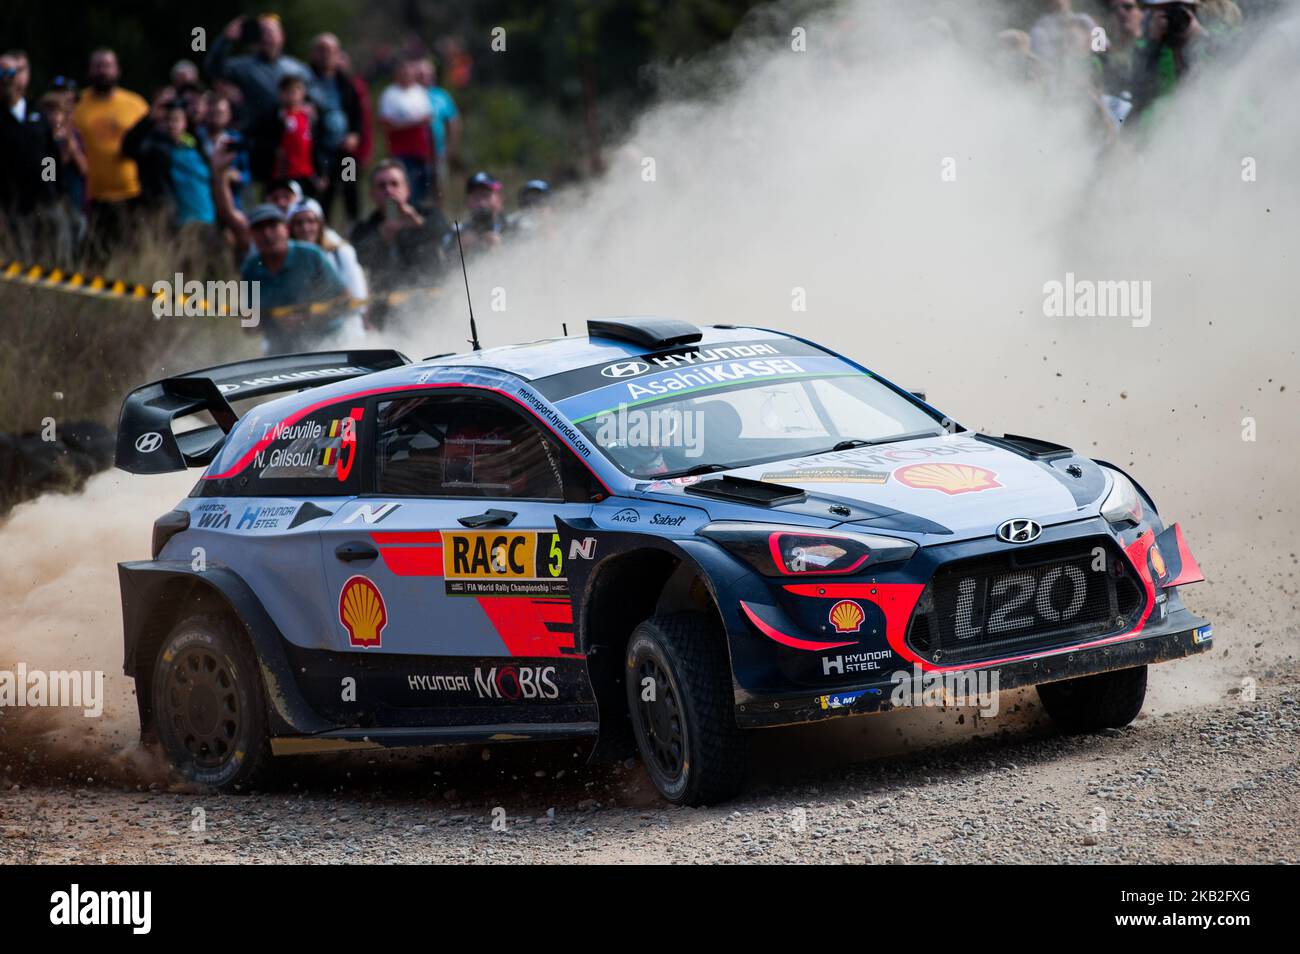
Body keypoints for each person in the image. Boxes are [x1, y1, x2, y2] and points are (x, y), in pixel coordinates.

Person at [205, 14, 311, 182]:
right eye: (262, 32)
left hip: (293, 150)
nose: (267, 37)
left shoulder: (297, 69)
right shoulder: (243, 67)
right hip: (258, 145)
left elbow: (313, 99)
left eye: (271, 32)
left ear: (281, 36)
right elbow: (213, 69)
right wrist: (226, 40)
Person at [349, 159, 451, 328]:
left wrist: (418, 223)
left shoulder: (429, 214)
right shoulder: (364, 229)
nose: (389, 190)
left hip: (433, 307)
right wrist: (381, 237)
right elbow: (359, 258)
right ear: (372, 194)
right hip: (385, 317)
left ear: (407, 189)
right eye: (381, 186)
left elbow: (447, 238)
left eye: (394, 184)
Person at [241, 203, 350, 353]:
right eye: (259, 228)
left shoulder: (311, 256)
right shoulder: (251, 269)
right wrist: (261, 321)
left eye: (273, 226)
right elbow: (249, 328)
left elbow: (345, 300)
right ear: (252, 235)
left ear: (286, 229)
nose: (267, 234)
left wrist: (308, 318)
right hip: (282, 352)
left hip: (329, 345)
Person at [72, 48, 150, 252]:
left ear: (117, 70)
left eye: (107, 66)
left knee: (132, 254)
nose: (102, 71)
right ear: (89, 72)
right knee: (96, 257)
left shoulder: (136, 104)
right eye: (97, 66)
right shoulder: (77, 105)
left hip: (132, 194)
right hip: (93, 198)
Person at [0, 50, 63, 258]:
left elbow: (49, 155)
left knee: (52, 256)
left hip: (43, 201)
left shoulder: (36, 113)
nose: (7, 80)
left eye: (12, 73)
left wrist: (50, 186)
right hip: (11, 206)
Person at [122, 95, 215, 228]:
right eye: (167, 120)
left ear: (185, 122)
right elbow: (128, 147)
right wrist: (150, 118)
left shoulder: (194, 145)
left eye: (176, 120)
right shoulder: (154, 147)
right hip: (165, 216)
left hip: (200, 217)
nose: (172, 125)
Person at [289, 198, 366, 339]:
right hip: (305, 340)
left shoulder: (341, 253)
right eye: (298, 223)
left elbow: (357, 301)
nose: (305, 228)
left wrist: (315, 315)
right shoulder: (278, 262)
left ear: (320, 224)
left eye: (311, 221)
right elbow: (251, 325)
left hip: (346, 335)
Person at [307, 33, 363, 222]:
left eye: (330, 50)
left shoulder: (346, 83)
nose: (325, 55)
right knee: (324, 193)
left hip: (345, 154)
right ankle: (324, 234)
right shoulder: (306, 81)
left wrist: (354, 135)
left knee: (350, 188)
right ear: (314, 53)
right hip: (320, 152)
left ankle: (356, 232)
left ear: (338, 54)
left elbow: (357, 114)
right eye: (321, 50)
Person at [378, 57, 434, 203]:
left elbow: (428, 119)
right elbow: (386, 123)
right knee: (407, 186)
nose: (406, 74)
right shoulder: (390, 95)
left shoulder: (420, 92)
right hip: (401, 150)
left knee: (424, 187)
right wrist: (413, 123)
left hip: (421, 149)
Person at [265, 74, 322, 195]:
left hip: (306, 173)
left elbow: (317, 146)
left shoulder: (309, 117)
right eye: (288, 91)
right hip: (284, 174)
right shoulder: (277, 116)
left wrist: (321, 172)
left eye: (296, 90)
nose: (292, 95)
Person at [420, 57, 461, 204]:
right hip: (417, 154)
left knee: (439, 190)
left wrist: (450, 148)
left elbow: (453, 122)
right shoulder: (411, 95)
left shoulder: (441, 96)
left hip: (438, 152)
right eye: (421, 74)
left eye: (428, 74)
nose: (425, 78)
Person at [459, 171, 508, 253]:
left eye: (486, 195)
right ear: (467, 202)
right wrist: (459, 251)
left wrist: (504, 249)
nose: (481, 203)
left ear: (500, 199)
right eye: (476, 197)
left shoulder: (516, 228)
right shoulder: (457, 233)